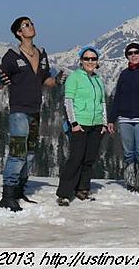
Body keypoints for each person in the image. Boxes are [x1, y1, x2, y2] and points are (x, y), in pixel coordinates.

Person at [0, 16, 65, 212]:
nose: (31, 26)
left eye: (31, 23)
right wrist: (0, 80)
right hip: (19, 110)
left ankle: (18, 189)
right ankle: (7, 195)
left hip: (36, 110)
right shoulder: (11, 56)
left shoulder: (41, 54)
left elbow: (45, 81)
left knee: (31, 153)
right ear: (18, 33)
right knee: (18, 153)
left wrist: (57, 80)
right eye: (26, 25)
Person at [55, 46, 107, 206]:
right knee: (76, 158)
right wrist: (74, 123)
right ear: (81, 61)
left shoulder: (98, 79)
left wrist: (104, 122)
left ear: (97, 61)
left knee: (89, 159)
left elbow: (102, 102)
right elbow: (68, 101)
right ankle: (64, 192)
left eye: (93, 59)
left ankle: (82, 188)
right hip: (80, 124)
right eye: (87, 59)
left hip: (96, 125)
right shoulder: (74, 77)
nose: (90, 62)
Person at [107, 41, 139, 194]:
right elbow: (117, 98)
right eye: (130, 53)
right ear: (127, 57)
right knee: (128, 153)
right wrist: (111, 119)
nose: (133, 55)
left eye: (136, 52)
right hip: (124, 119)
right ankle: (131, 182)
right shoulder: (124, 74)